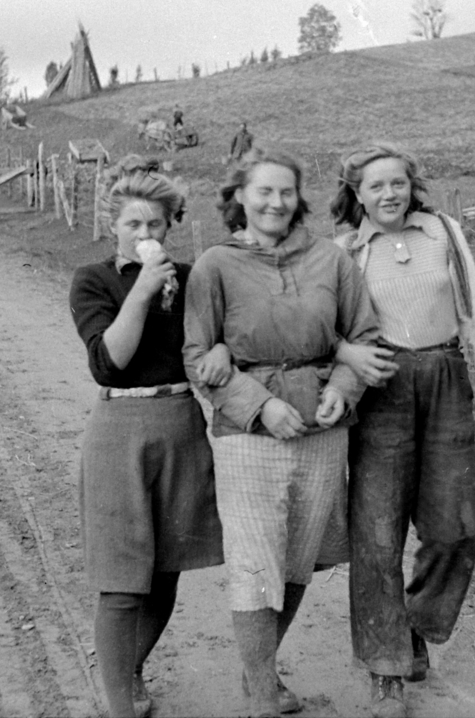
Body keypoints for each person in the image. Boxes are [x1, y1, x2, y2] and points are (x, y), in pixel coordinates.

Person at [182, 144, 379, 717]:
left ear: (299, 199)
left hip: (322, 429)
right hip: (247, 435)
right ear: (239, 197)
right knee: (252, 559)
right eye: (263, 191)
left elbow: (362, 336)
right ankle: (263, 696)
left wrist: (342, 389)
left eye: (285, 192)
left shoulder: (331, 260)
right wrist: (260, 405)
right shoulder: (215, 266)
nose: (275, 202)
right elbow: (198, 354)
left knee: (298, 556)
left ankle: (257, 672)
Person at [329, 142, 475, 718]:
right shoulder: (344, 251)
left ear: (413, 186)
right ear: (356, 193)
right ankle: (386, 670)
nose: (390, 194)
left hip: (446, 379)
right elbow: (323, 331)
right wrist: (350, 363)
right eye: (376, 185)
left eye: (398, 183)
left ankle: (413, 623)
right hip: (380, 388)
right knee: (378, 535)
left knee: (456, 527)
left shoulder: (445, 233)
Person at [69, 167, 232, 718]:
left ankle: (129, 668)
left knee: (166, 572)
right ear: (112, 226)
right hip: (120, 429)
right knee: (121, 582)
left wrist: (223, 351)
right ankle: (118, 705)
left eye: (156, 224)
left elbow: (218, 342)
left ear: (170, 228)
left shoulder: (191, 279)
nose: (146, 232)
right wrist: (141, 287)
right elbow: (108, 363)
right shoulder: (93, 280)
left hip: (182, 425)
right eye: (133, 222)